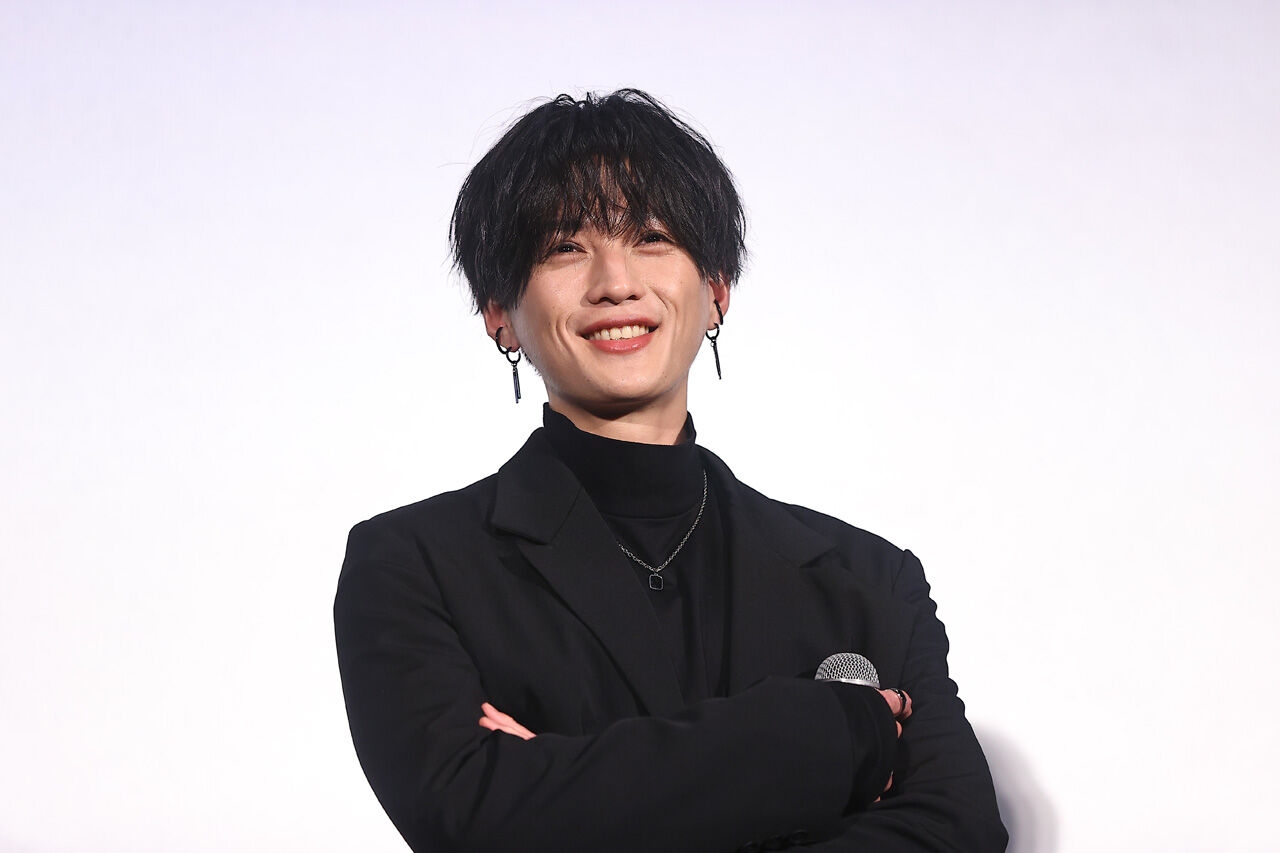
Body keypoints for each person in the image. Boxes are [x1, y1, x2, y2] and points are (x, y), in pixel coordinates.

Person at [334, 89, 1007, 852]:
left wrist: (568, 794)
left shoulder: (871, 579)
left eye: (652, 237)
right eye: (564, 247)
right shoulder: (414, 566)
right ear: (499, 311)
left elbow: (960, 832)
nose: (615, 282)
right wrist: (817, 737)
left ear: (716, 289)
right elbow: (472, 819)